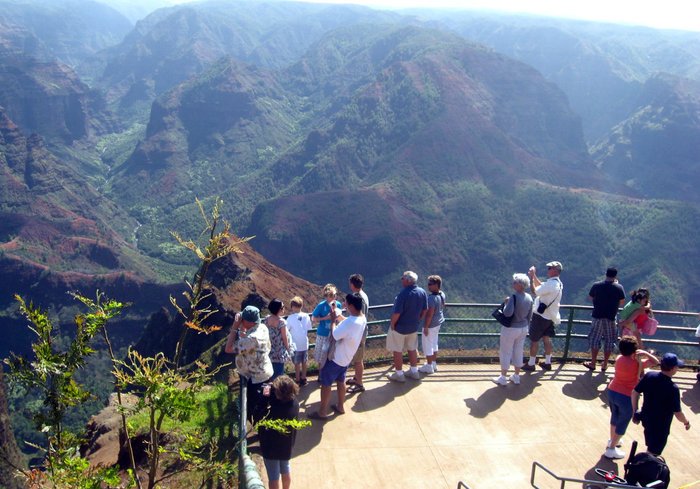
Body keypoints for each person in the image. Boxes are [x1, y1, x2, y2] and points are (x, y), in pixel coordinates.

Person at [308, 292, 367, 419]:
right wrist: (337, 314)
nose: (344, 304)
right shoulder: (362, 319)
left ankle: (322, 412)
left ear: (351, 306)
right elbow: (348, 322)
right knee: (341, 381)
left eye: (346, 303)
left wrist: (333, 320)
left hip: (335, 358)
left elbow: (335, 334)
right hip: (347, 358)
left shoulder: (350, 323)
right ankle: (340, 406)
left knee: (326, 384)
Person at [603, 336, 658, 459]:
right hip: (626, 395)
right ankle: (611, 449)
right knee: (623, 422)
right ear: (634, 350)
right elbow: (655, 362)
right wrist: (645, 354)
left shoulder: (619, 359)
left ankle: (612, 440)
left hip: (612, 391)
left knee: (615, 417)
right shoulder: (637, 363)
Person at [631, 352, 692, 455]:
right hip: (660, 427)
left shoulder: (649, 376)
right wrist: (686, 422)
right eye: (677, 366)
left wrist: (635, 411)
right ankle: (645, 468)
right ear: (672, 368)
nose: (677, 368)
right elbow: (678, 413)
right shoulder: (673, 388)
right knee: (653, 454)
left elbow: (634, 393)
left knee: (650, 446)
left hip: (646, 419)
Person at [225, 305, 274, 422]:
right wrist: (243, 327)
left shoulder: (251, 339)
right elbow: (244, 337)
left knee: (254, 410)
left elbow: (228, 348)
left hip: (256, 379)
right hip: (265, 371)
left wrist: (234, 327)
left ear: (248, 321)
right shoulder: (262, 327)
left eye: (243, 319)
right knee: (263, 406)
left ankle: (260, 432)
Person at [259, 375, 300, 489]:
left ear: (279, 394)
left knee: (273, 476)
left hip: (271, 447)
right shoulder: (294, 403)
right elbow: (279, 401)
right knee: (285, 468)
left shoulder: (275, 410)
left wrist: (264, 395)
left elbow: (258, 415)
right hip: (286, 445)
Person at [387, 271, 428, 382]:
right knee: (412, 348)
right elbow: (425, 309)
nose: (401, 280)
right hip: (413, 327)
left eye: (403, 278)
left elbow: (397, 313)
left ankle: (399, 374)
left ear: (407, 281)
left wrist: (392, 324)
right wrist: (419, 319)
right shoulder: (422, 292)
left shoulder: (403, 294)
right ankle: (414, 371)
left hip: (400, 327)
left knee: (397, 350)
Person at [493, 273, 533, 385]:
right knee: (518, 351)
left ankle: (503, 377)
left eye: (515, 282)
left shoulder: (514, 297)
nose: (513, 283)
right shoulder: (529, 298)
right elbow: (529, 315)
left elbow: (507, 313)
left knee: (505, 352)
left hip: (511, 329)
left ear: (519, 285)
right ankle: (516, 376)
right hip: (523, 328)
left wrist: (506, 303)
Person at [523, 261, 563, 372]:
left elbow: (534, 291)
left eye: (550, 268)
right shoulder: (558, 283)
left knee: (534, 340)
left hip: (540, 316)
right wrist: (535, 276)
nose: (548, 270)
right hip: (550, 316)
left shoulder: (550, 284)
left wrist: (531, 278)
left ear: (554, 271)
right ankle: (548, 362)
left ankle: (531, 363)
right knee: (546, 338)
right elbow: (542, 287)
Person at [585, 267, 626, 371]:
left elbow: (591, 298)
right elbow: (622, 302)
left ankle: (593, 363)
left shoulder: (596, 285)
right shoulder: (619, 287)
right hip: (610, 317)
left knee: (595, 339)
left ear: (606, 274)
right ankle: (604, 364)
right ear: (615, 276)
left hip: (597, 316)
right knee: (609, 340)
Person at [346, 273, 369, 393]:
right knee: (357, 358)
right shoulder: (363, 295)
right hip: (361, 332)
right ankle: (356, 378)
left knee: (358, 360)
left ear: (352, 284)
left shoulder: (358, 298)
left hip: (359, 334)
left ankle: (359, 384)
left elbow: (359, 316)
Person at [419, 275, 446, 374]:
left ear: (436, 285)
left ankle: (429, 366)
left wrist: (426, 326)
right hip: (438, 323)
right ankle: (434, 363)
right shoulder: (442, 294)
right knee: (434, 343)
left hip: (430, 325)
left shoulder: (431, 298)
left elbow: (429, 314)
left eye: (430, 284)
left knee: (427, 345)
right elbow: (443, 305)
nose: (428, 286)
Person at [312, 284, 342, 370]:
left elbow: (340, 317)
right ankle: (320, 375)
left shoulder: (338, 305)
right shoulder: (321, 305)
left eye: (334, 295)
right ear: (326, 296)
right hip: (323, 334)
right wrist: (326, 318)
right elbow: (313, 318)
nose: (333, 298)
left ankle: (330, 374)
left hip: (334, 334)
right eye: (331, 296)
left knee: (332, 355)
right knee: (321, 356)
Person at [287, 296, 312, 386]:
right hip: (304, 343)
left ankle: (297, 379)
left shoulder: (290, 318)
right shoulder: (306, 316)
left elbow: (287, 329)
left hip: (295, 344)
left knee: (297, 363)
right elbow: (309, 327)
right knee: (304, 362)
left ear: (293, 306)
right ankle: (304, 378)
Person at [266, 298, 292, 380]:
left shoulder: (267, 319)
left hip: (270, 350)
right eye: (282, 307)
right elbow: (284, 337)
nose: (284, 309)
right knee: (279, 374)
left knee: (271, 372)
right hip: (279, 351)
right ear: (277, 309)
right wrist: (288, 349)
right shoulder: (281, 322)